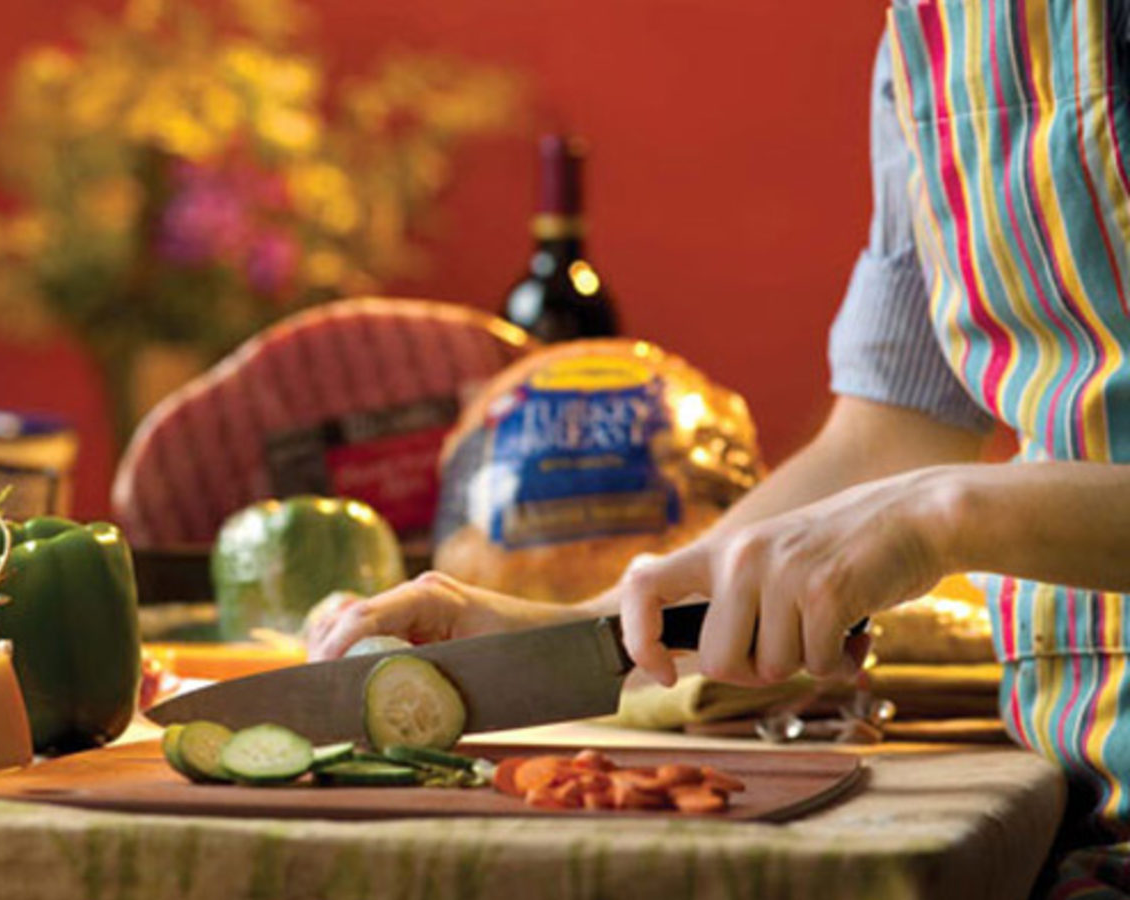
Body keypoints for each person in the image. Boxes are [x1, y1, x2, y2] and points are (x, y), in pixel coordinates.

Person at [308, 1, 1130, 892]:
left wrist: (939, 513)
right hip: (1077, 794)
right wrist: (575, 632)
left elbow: (913, 486)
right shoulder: (933, 32)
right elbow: (890, 434)